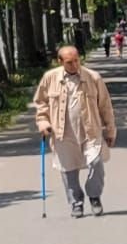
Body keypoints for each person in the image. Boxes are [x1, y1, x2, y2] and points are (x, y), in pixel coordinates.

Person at [33, 44, 117, 217]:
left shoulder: (93, 77)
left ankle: (94, 196)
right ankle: (76, 203)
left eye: (77, 61)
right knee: (68, 170)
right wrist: (42, 122)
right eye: (69, 62)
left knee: (96, 163)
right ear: (60, 61)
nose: (74, 65)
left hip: (90, 131)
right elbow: (41, 103)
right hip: (63, 132)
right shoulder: (50, 78)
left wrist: (110, 130)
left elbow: (105, 106)